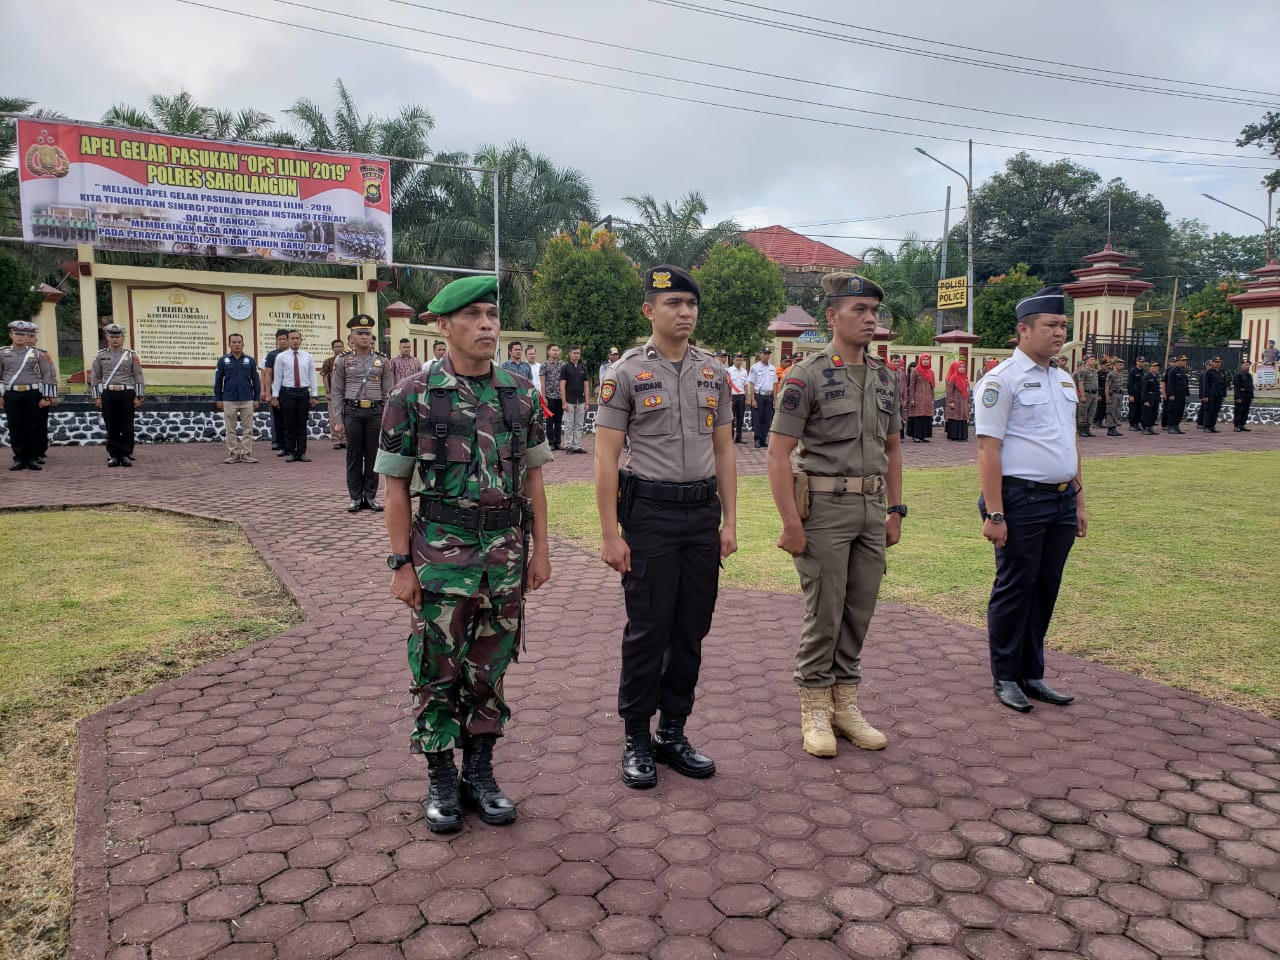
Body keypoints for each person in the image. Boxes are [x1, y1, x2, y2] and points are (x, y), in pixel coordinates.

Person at [375, 274, 552, 832]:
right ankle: (441, 777)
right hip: (440, 556)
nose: (486, 325)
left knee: (489, 668)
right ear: (443, 326)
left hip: (504, 554)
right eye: (472, 316)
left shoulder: (520, 394)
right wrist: (402, 564)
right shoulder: (414, 396)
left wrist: (541, 552)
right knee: (436, 668)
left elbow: (534, 478)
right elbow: (396, 487)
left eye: (492, 315)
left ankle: (480, 771)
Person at [594, 264, 737, 790]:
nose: (685, 313)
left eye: (691, 304)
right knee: (649, 630)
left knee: (691, 629)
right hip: (649, 515)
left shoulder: (714, 373)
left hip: (701, 514)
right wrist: (611, 534)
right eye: (674, 303)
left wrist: (730, 520)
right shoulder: (626, 372)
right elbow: (606, 459)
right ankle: (636, 735)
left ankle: (673, 731)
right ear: (649, 311)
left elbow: (724, 450)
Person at [767, 273, 903, 757]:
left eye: (874, 311)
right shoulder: (806, 375)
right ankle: (814, 710)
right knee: (824, 612)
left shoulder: (885, 376)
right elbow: (777, 454)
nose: (870, 319)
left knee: (859, 610)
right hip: (823, 509)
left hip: (870, 507)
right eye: (859, 310)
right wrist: (790, 523)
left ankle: (845, 705)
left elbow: (892, 447)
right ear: (832, 316)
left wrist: (895, 509)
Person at [973, 285, 1085, 713]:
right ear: (1023, 330)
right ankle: (1005, 675)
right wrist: (995, 512)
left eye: (1063, 325)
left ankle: (1032, 671)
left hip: (1059, 499)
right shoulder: (1001, 381)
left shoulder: (1062, 378)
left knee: (1045, 587)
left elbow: (1070, 442)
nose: (1059, 333)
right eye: (1051, 325)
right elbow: (987, 449)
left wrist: (1078, 500)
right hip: (1021, 499)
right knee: (1016, 586)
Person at [332, 315, 391, 511]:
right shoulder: (342, 361)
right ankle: (355, 498)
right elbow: (337, 392)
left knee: (373, 456)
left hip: (375, 412)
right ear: (352, 337)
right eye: (360, 334)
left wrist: (387, 417)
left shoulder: (382, 361)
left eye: (368, 333)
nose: (365, 337)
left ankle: (371, 497)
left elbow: (388, 393)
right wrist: (338, 420)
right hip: (353, 411)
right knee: (354, 455)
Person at [1, 319, 58, 471]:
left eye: (23, 334)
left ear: (29, 337)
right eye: (16, 334)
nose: (19, 337)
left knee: (33, 426)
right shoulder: (3, 353)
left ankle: (33, 457)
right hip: (12, 393)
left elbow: (47, 375)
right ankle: (19, 458)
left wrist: (46, 397)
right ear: (11, 335)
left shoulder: (38, 353)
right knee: (15, 426)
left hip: (33, 393)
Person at [90, 323, 145, 467]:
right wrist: (96, 396)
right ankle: (113, 454)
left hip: (127, 392)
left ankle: (126, 453)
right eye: (111, 336)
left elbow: (138, 375)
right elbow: (95, 376)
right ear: (107, 337)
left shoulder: (131, 355)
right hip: (108, 393)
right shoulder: (100, 355)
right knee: (111, 425)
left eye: (118, 336)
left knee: (127, 425)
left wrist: (139, 396)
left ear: (123, 338)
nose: (115, 339)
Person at [271, 329, 318, 461]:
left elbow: (312, 376)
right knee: (289, 424)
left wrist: (314, 395)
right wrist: (275, 396)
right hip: (287, 393)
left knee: (302, 424)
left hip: (303, 392)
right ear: (288, 340)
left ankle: (301, 452)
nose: (295, 341)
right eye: (292, 338)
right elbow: (278, 378)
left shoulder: (308, 357)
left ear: (301, 340)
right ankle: (291, 451)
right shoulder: (281, 357)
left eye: (297, 338)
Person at [213, 332, 260, 464]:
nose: (236, 345)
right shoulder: (223, 361)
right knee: (230, 428)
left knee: (248, 428)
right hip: (229, 399)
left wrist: (256, 398)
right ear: (229, 344)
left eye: (239, 342)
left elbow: (256, 381)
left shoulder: (250, 360)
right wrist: (218, 398)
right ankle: (233, 453)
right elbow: (218, 381)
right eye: (234, 342)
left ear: (243, 344)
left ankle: (246, 453)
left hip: (247, 398)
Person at [261, 329, 290, 454]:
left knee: (291, 418)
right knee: (277, 419)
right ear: (276, 341)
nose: (282, 341)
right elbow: (267, 375)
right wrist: (267, 393)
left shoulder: (294, 354)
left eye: (284, 339)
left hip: (291, 391)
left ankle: (291, 443)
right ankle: (278, 442)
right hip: (276, 392)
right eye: (280, 339)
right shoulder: (272, 355)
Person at [559, 345, 590, 454]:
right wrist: (563, 402)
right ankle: (568, 445)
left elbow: (586, 386)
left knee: (579, 424)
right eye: (574, 353)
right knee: (569, 424)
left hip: (580, 401)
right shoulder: (565, 367)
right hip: (569, 400)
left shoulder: (583, 368)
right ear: (569, 354)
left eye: (578, 353)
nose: (576, 355)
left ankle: (577, 446)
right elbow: (562, 385)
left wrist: (587, 402)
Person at [747, 347, 777, 448]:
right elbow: (751, 383)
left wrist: (775, 399)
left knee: (767, 419)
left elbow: (774, 384)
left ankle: (764, 439)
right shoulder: (754, 367)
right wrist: (753, 399)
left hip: (769, 395)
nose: (767, 355)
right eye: (765, 353)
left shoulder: (772, 368)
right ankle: (757, 439)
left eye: (768, 354)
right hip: (758, 395)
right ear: (760, 355)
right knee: (757, 419)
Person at [321, 338, 347, 449]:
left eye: (340, 346)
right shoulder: (329, 361)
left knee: (346, 416)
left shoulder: (348, 360)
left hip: (346, 393)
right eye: (336, 347)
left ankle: (345, 439)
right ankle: (336, 440)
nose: (339, 349)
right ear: (332, 349)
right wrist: (328, 392)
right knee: (333, 418)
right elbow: (325, 376)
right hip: (333, 393)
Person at [906, 355, 935, 442]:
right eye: (924, 359)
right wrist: (912, 399)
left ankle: (924, 435)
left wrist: (932, 398)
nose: (926, 361)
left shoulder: (931, 372)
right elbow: (912, 385)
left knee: (926, 417)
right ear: (920, 360)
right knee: (918, 416)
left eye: (927, 359)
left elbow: (932, 386)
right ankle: (916, 436)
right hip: (918, 397)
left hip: (928, 398)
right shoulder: (916, 371)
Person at [541, 343, 564, 450]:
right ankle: (550, 442)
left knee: (558, 421)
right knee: (549, 421)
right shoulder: (544, 365)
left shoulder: (563, 365)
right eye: (553, 350)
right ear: (548, 352)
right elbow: (542, 382)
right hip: (549, 396)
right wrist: (544, 397)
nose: (556, 352)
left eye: (557, 350)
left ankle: (558, 442)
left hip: (560, 396)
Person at [944, 358, 970, 441]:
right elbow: (949, 391)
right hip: (956, 401)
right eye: (960, 367)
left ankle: (962, 436)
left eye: (963, 367)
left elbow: (967, 389)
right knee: (955, 418)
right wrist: (950, 401)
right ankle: (955, 436)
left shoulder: (965, 377)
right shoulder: (953, 377)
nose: (962, 368)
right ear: (957, 368)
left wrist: (968, 401)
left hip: (963, 401)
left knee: (962, 418)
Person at [1072, 356, 1099, 437]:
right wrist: (1082, 395)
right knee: (1083, 412)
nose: (1093, 361)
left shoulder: (1094, 371)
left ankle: (1087, 429)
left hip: (1094, 394)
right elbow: (1080, 384)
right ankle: (1082, 429)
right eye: (1091, 359)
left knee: (1091, 412)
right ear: (1086, 361)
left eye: (1094, 359)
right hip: (1086, 393)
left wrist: (1097, 395)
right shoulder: (1082, 371)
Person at [1163, 355, 1189, 433]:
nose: (1185, 362)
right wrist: (1170, 394)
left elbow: (1185, 383)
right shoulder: (1173, 370)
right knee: (1173, 410)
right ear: (1178, 361)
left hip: (1182, 394)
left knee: (1179, 411)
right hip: (1175, 394)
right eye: (1183, 360)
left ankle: (1176, 426)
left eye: (1185, 360)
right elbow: (1170, 383)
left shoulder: (1182, 370)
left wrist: (1186, 393)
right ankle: (1171, 426)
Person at [1200, 357, 1226, 433]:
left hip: (1219, 393)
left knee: (1216, 410)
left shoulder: (1221, 372)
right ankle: (1206, 426)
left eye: (1219, 362)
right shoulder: (1208, 372)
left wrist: (1223, 394)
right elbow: (1205, 384)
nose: (1218, 363)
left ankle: (1212, 425)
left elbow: (1223, 384)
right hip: (1211, 393)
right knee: (1209, 410)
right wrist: (1204, 396)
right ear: (1213, 363)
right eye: (1216, 362)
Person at [727, 351, 748, 443]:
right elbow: (727, 385)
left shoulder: (744, 371)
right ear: (733, 360)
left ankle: (738, 437)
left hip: (741, 397)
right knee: (731, 418)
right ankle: (730, 438)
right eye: (737, 360)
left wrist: (747, 397)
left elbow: (746, 385)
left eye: (741, 360)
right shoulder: (728, 371)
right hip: (732, 397)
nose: (739, 361)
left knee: (740, 417)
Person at [1103, 357, 1126, 436]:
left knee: (1117, 411)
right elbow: (1107, 386)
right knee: (1111, 411)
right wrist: (1107, 397)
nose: (1121, 366)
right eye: (1119, 365)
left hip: (1119, 394)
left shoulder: (1120, 374)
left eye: (1122, 365)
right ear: (1115, 365)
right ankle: (1110, 428)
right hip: (1113, 395)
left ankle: (1114, 427)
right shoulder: (1111, 374)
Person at [1139, 360, 1163, 435]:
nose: (1156, 368)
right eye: (1154, 366)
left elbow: (1157, 388)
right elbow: (1143, 389)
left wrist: (1158, 398)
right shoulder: (1147, 377)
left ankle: (1150, 427)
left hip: (1155, 397)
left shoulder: (1156, 377)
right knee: (1147, 413)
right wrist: (1145, 400)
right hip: (1148, 397)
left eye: (1157, 366)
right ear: (1150, 367)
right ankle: (1145, 428)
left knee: (1154, 413)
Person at [1233, 359, 1255, 431]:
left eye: (1248, 365)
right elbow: (1236, 387)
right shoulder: (1238, 374)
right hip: (1241, 394)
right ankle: (1237, 425)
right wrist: (1237, 397)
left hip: (1247, 395)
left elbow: (1251, 386)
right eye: (1246, 364)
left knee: (1245, 410)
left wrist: (1251, 396)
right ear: (1241, 365)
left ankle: (1242, 424)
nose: (1247, 366)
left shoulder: (1249, 375)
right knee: (1239, 410)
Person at [1127, 357, 1146, 432]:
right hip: (1134, 393)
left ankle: (1137, 423)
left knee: (1139, 409)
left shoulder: (1143, 371)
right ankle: (1132, 424)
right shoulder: (1133, 371)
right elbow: (1130, 383)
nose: (1141, 363)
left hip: (1141, 393)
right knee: (1133, 409)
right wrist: (1131, 394)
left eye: (1143, 361)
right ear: (1136, 362)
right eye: (1140, 361)